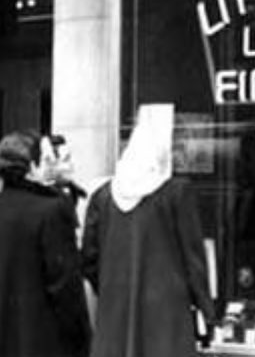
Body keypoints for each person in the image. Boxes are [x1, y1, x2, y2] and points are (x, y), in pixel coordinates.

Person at [81, 103, 215, 357]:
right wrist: (207, 311)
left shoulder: (103, 196)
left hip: (115, 313)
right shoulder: (176, 193)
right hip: (167, 315)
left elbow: (89, 258)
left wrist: (112, 287)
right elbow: (193, 258)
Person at [0, 130, 91, 357]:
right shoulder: (51, 211)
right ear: (32, 167)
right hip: (38, 339)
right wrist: (81, 340)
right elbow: (65, 287)